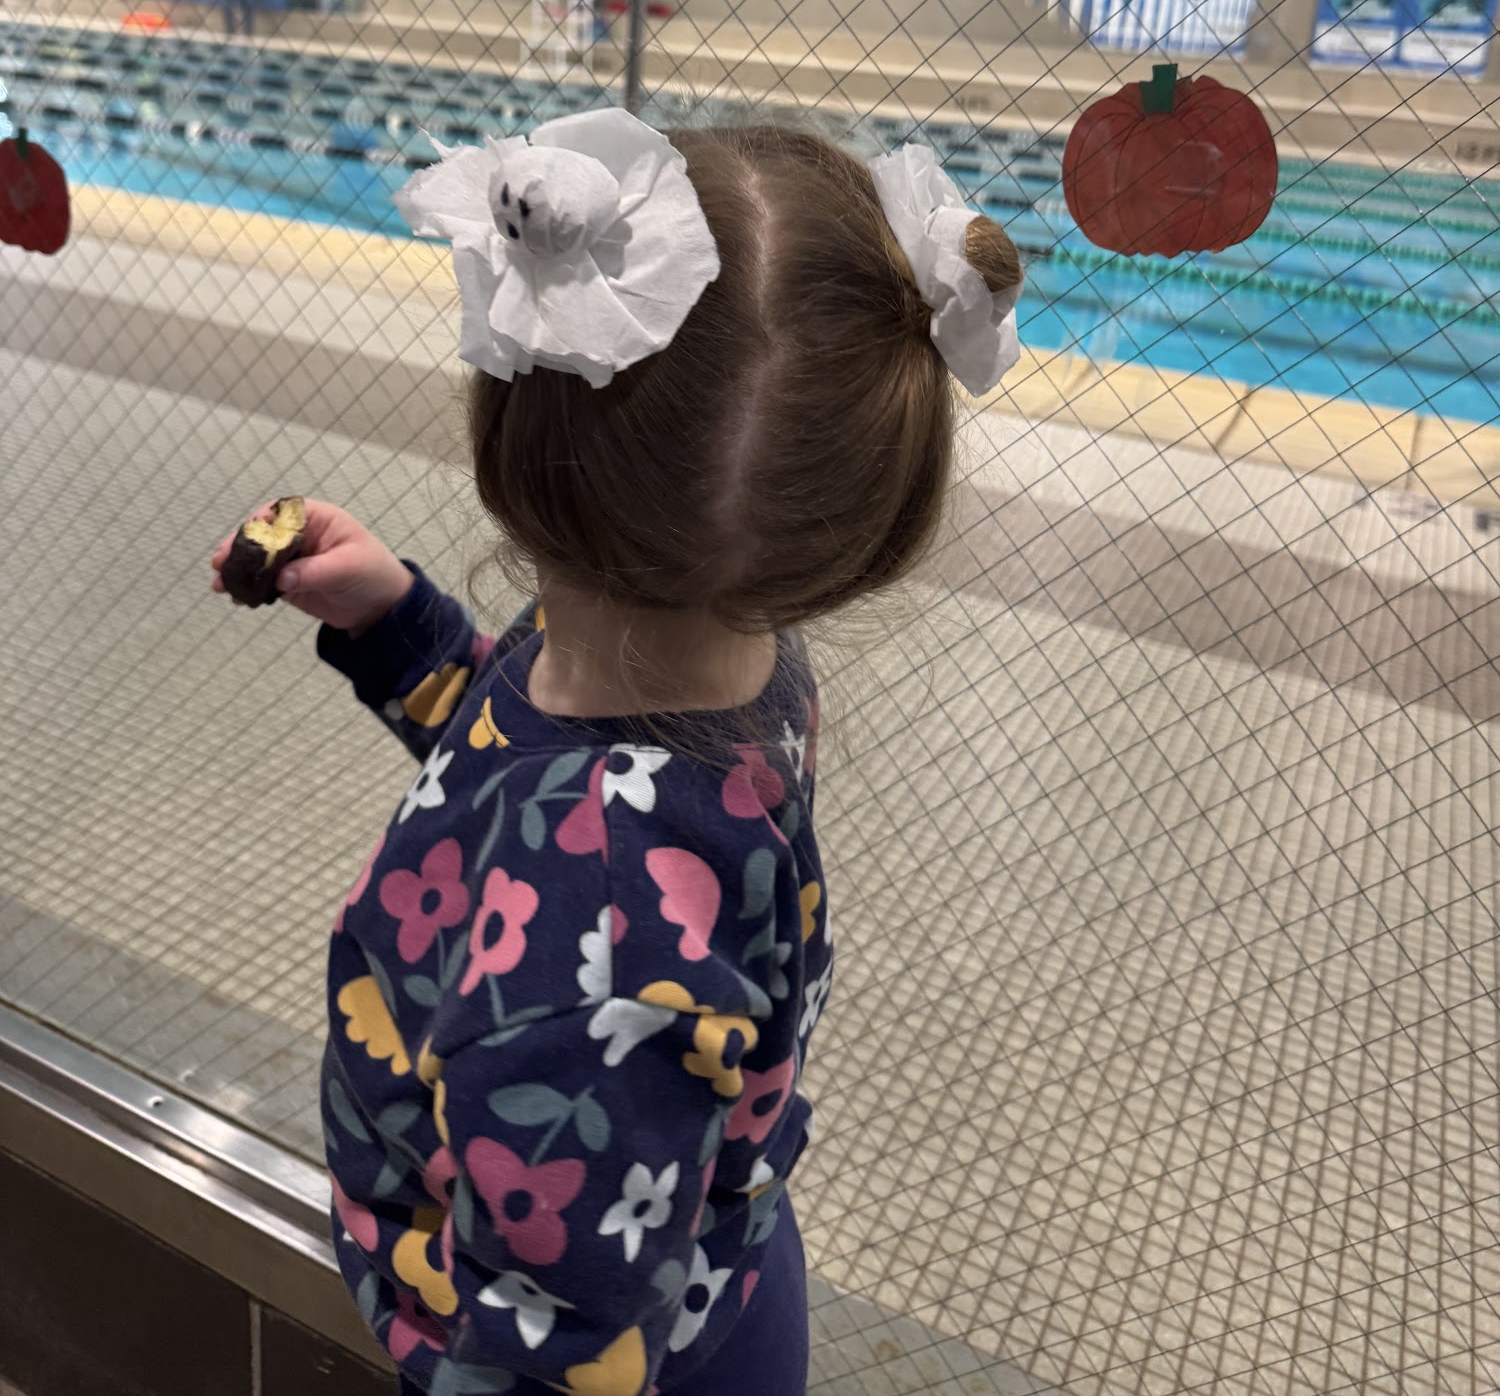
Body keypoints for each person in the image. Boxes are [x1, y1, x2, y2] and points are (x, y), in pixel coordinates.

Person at [211, 112, 1023, 1396]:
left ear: (514, 432)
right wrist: (396, 625)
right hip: (707, 1258)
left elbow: (561, 1352)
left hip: (603, 1349)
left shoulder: (583, 966)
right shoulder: (735, 666)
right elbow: (527, 763)